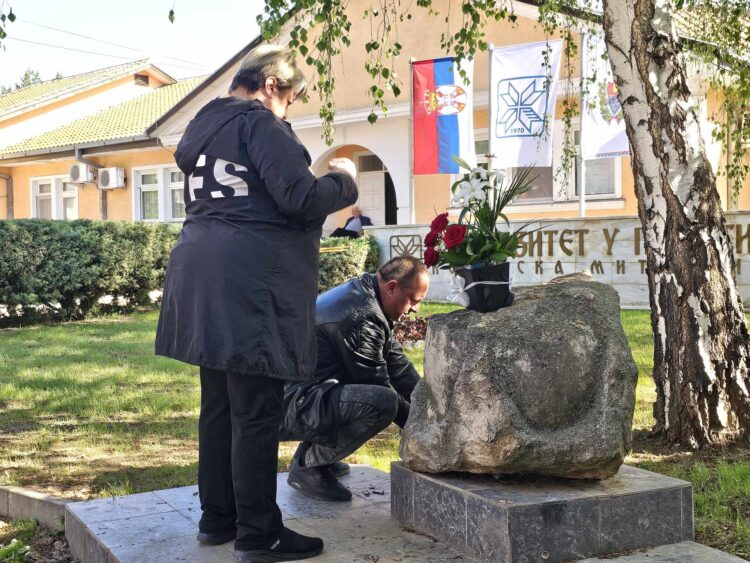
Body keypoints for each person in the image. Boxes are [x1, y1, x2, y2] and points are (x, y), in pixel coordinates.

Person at [155, 45, 358, 562]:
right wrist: (343, 179)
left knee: (219, 407)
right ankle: (259, 533)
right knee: (255, 411)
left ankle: (217, 518)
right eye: (290, 99)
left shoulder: (205, 127)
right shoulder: (259, 122)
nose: (288, 110)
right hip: (248, 282)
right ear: (271, 85)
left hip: (200, 273)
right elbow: (300, 198)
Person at [282, 256, 430, 501]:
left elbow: (398, 366)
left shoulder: (368, 296)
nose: (416, 309)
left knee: (378, 398)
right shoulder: (362, 315)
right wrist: (424, 432)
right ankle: (309, 465)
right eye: (414, 300)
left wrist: (427, 407)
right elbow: (377, 384)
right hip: (291, 405)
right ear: (392, 287)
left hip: (308, 394)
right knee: (382, 403)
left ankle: (315, 453)